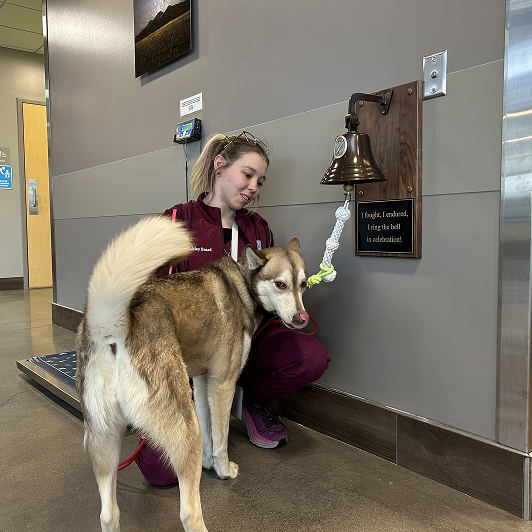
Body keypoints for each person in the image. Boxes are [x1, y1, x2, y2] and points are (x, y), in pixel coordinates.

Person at [135, 131, 331, 485]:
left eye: (260, 180)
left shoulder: (258, 228)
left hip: (244, 343)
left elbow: (267, 296)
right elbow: (152, 296)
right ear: (220, 165)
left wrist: (294, 300)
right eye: (248, 174)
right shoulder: (178, 218)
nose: (254, 187)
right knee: (159, 470)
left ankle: (250, 401)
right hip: (188, 354)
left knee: (309, 357)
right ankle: (186, 405)